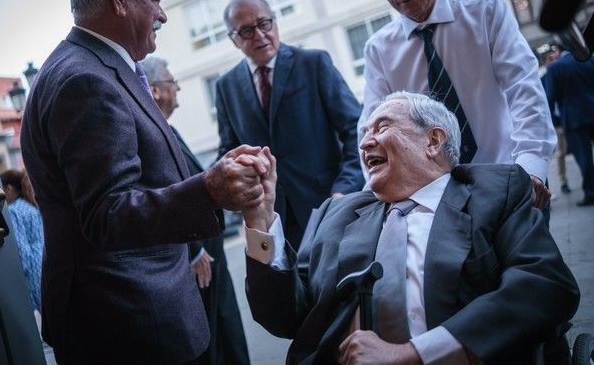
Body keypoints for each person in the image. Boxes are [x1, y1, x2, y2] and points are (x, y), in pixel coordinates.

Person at [20, 0, 268, 364]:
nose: (163, 14)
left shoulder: (89, 67)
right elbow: (107, 213)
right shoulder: (85, 80)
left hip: (131, 316)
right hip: (129, 324)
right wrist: (208, 190)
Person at [240, 91, 579, 364]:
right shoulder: (337, 213)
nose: (364, 143)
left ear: (433, 141)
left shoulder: (495, 192)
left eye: (381, 128)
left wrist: (413, 354)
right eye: (364, 135)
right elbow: (285, 317)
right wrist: (260, 218)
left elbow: (545, 285)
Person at [359, 0, 556, 212]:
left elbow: (524, 91)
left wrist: (530, 168)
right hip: (436, 204)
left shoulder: (486, 12)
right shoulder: (378, 50)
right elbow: (371, 129)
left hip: (510, 180)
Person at [216, 0, 364, 249]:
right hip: (271, 220)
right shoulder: (225, 86)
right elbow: (229, 150)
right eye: (247, 31)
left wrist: (344, 190)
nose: (260, 35)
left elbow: (356, 129)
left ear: (274, 21)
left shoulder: (314, 63)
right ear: (233, 39)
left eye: (264, 23)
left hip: (329, 208)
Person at [141, 56, 250, 364]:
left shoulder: (169, 130)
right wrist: (194, 250)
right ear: (155, 90)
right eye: (172, 82)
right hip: (199, 258)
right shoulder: (152, 135)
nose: (178, 88)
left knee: (227, 330)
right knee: (212, 341)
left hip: (210, 252)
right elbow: (163, 195)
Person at [544, 44, 594, 206]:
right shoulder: (589, 60)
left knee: (584, 157)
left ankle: (591, 192)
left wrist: (549, 124)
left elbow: (550, 97)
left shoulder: (555, 68)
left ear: (557, 50)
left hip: (573, 118)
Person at [0, 169, 44, 314]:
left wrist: (17, 277)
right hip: (43, 264)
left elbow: (21, 249)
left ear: (9, 188)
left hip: (32, 271)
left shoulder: (13, 211)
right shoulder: (31, 205)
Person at [540, 45, 571, 195]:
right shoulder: (542, 79)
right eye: (549, 59)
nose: (553, 61)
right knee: (561, 152)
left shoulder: (564, 72)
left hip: (571, 118)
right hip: (556, 122)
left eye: (555, 58)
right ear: (545, 63)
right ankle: (563, 181)